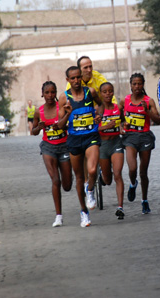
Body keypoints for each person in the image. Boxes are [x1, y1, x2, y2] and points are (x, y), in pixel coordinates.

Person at [58, 66, 102, 227]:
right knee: (79, 177)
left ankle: (89, 190)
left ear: (81, 77)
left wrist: (99, 115)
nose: (76, 81)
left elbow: (101, 105)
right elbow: (60, 126)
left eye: (78, 77)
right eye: (73, 78)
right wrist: (68, 113)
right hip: (74, 140)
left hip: (91, 136)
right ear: (68, 80)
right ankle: (84, 212)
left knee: (92, 170)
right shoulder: (64, 98)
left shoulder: (90, 92)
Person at [31, 81, 72, 227]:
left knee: (67, 185)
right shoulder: (38, 111)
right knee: (55, 180)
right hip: (48, 147)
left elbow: (67, 123)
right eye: (47, 92)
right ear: (42, 94)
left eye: (53, 92)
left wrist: (65, 119)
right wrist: (39, 127)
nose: (50, 95)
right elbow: (33, 132)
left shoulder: (61, 108)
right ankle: (58, 216)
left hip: (64, 146)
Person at [122, 73, 160, 214]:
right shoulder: (124, 101)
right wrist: (121, 125)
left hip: (145, 137)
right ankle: (133, 184)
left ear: (143, 85)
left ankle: (144, 200)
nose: (137, 87)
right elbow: (116, 116)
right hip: (130, 137)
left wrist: (147, 111)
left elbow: (158, 120)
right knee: (132, 169)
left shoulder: (148, 101)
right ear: (130, 85)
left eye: (139, 84)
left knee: (143, 172)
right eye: (134, 84)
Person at [96, 82, 126, 219]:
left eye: (110, 91)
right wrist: (106, 126)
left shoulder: (117, 108)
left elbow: (123, 121)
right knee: (108, 180)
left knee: (118, 174)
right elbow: (92, 129)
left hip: (116, 143)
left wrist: (123, 126)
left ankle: (120, 207)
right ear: (100, 94)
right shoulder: (97, 109)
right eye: (105, 91)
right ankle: (102, 174)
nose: (108, 94)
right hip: (102, 145)